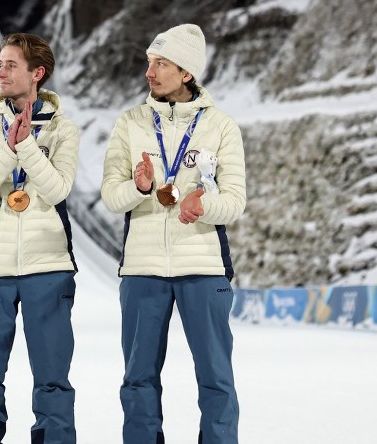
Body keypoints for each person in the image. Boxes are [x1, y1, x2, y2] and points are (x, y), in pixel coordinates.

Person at [100, 23, 245, 444]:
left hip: (203, 265)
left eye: (161, 63)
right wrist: (139, 188)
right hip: (143, 268)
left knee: (216, 378)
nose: (150, 71)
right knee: (138, 378)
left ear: (186, 73)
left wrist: (204, 204)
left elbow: (234, 199)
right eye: (149, 61)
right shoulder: (130, 123)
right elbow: (112, 195)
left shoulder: (220, 126)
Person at [0, 33, 81, 444]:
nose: (1, 71)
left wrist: (25, 145)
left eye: (11, 64)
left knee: (52, 382)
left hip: (48, 267)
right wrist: (8, 151)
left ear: (37, 73)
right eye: (0, 63)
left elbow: (57, 189)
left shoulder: (64, 130)